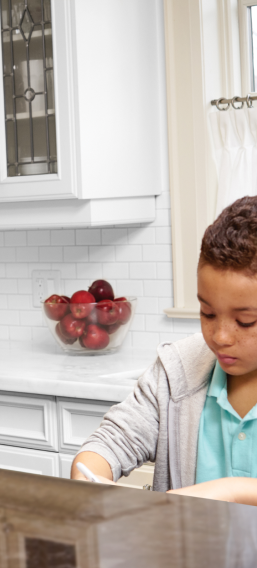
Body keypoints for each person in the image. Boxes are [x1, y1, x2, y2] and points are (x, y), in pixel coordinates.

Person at [72, 196, 257, 505]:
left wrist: (232, 491)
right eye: (207, 314)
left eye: (246, 321)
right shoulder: (177, 369)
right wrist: (90, 476)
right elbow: (110, 441)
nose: (221, 337)